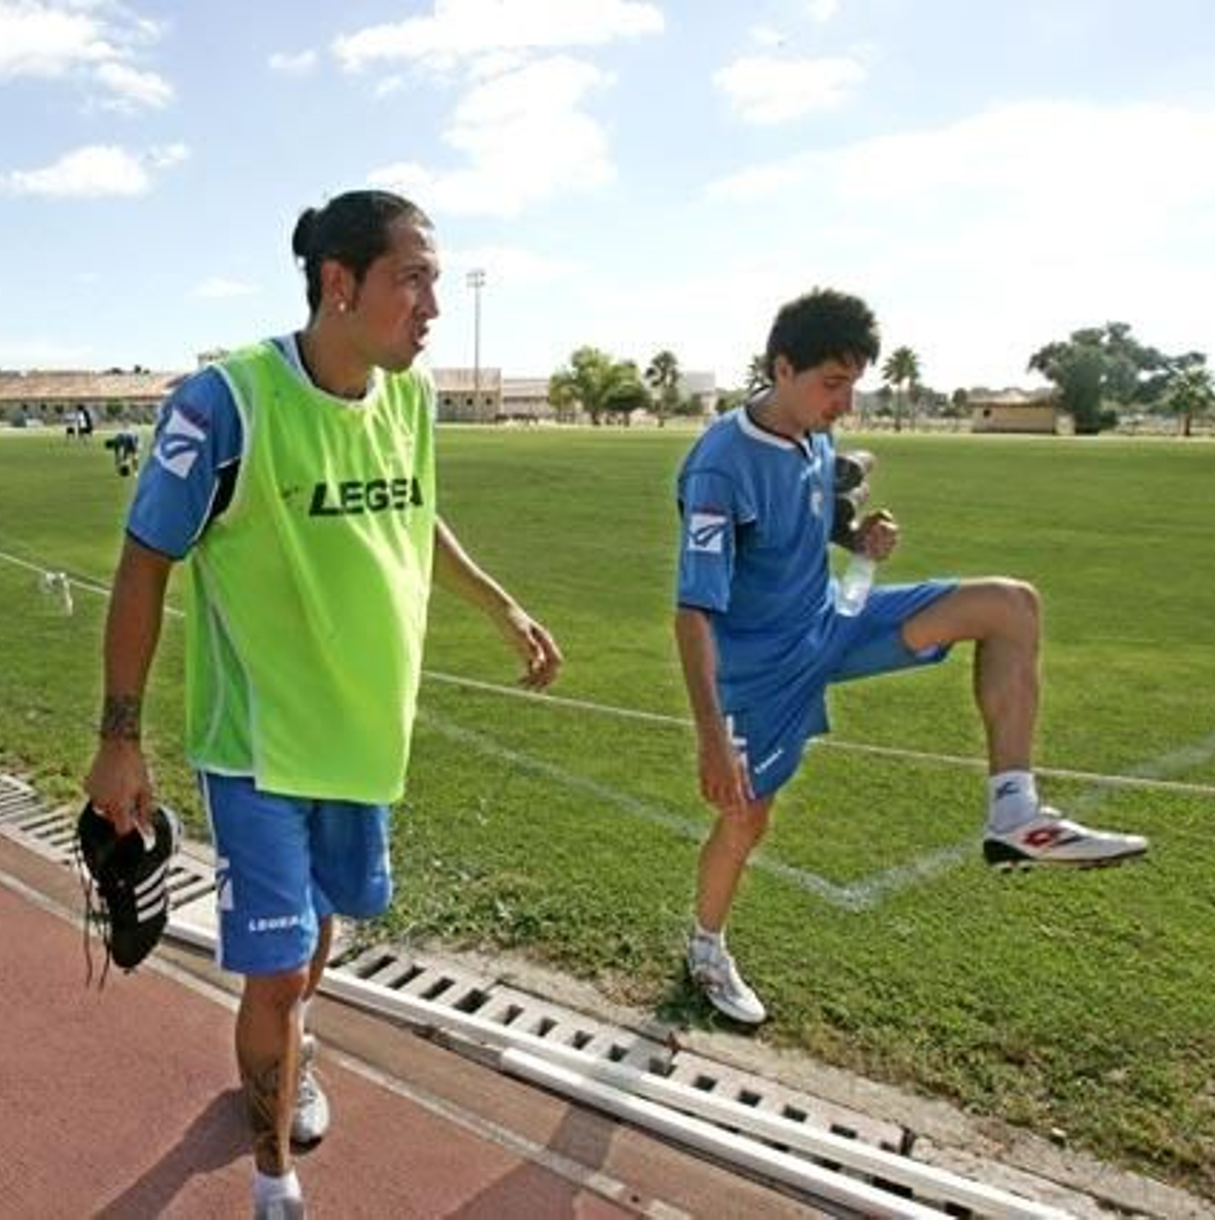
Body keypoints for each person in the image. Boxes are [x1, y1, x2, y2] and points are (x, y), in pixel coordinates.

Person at [84, 189, 562, 1219]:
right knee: (268, 967)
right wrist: (119, 739)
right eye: (413, 278)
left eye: (436, 278)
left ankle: (294, 1050)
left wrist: (501, 605)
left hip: (362, 740)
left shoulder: (412, 397)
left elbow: (416, 514)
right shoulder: (226, 403)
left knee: (312, 941)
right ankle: (272, 1179)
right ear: (338, 283)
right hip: (257, 747)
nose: (431, 303)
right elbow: (143, 564)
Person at [673, 287, 1149, 1027]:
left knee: (1010, 605)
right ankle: (706, 948)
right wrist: (709, 735)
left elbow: (812, 518)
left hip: (834, 619)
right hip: (761, 671)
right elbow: (694, 610)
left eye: (853, 383)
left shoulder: (814, 436)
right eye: (832, 384)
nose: (844, 402)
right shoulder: (719, 467)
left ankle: (1014, 814)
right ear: (782, 367)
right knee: (745, 822)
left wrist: (857, 542)